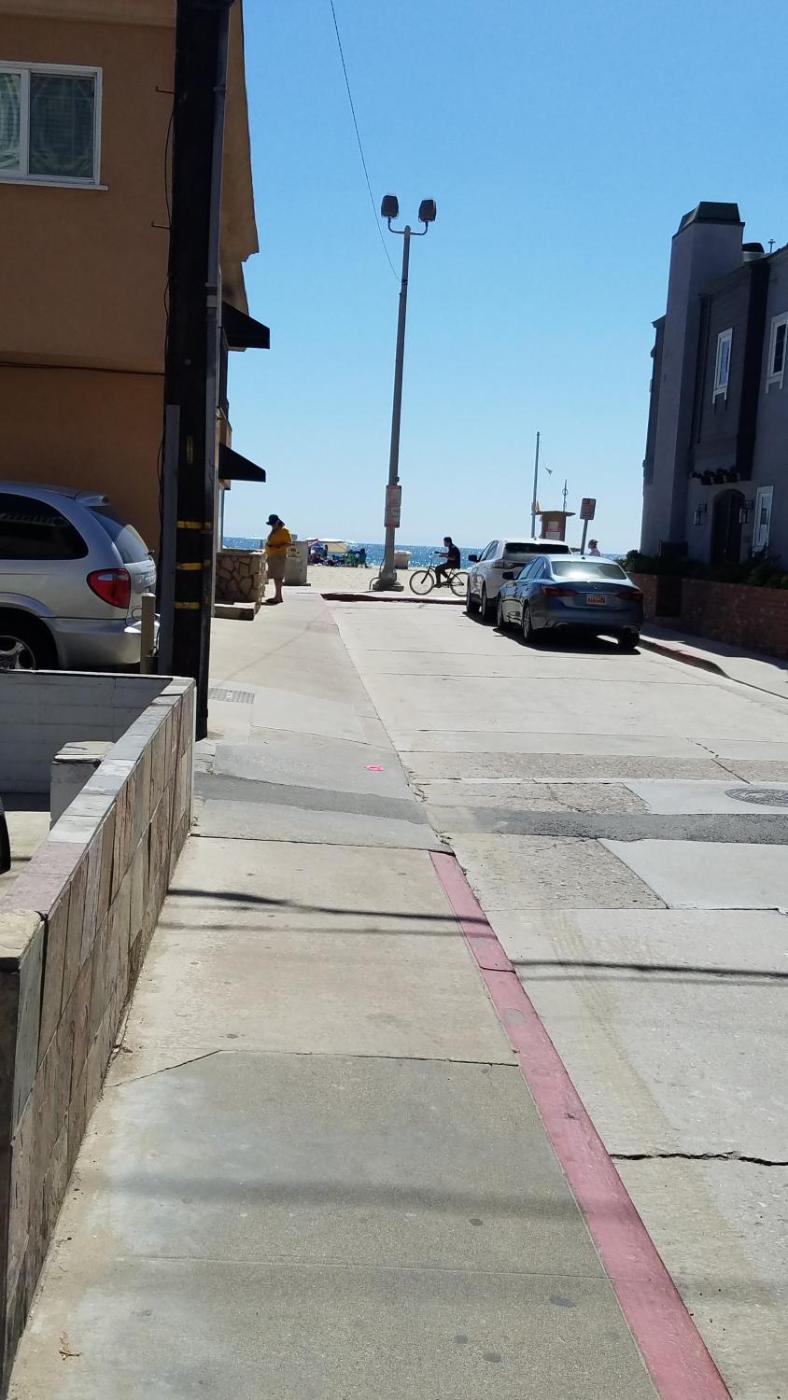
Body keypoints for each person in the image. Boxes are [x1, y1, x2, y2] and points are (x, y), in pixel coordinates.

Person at [264, 513, 292, 604]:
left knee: (278, 577)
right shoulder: (274, 531)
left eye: (273, 523)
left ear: (277, 522)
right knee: (276, 577)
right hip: (272, 556)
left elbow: (289, 543)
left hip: (279, 556)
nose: (272, 525)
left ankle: (278, 597)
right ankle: (278, 596)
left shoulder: (283, 531)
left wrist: (278, 547)